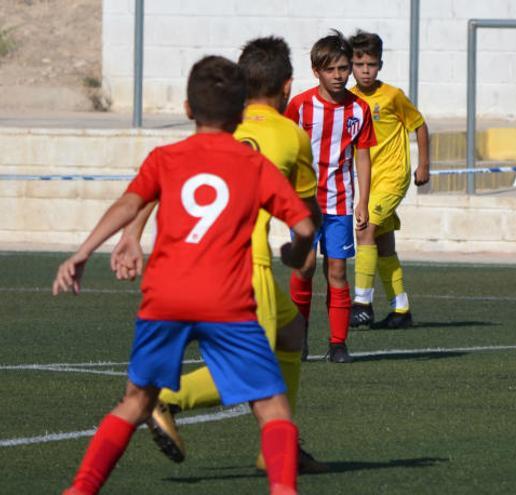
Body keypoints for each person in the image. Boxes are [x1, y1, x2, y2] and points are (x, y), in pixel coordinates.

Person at [55, 55, 315, 495]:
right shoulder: (254, 165)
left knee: (135, 401)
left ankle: (80, 490)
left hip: (165, 298)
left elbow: (130, 204)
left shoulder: (166, 157)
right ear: (240, 113)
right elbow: (305, 226)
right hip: (227, 301)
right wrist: (296, 251)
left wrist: (83, 251)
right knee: (271, 405)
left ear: (188, 109)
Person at [110, 37, 328, 474]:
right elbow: (305, 208)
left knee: (292, 333)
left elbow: (164, 178)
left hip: (196, 262)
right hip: (249, 268)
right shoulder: (290, 135)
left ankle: (280, 448)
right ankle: (164, 399)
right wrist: (306, 246)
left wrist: (131, 234)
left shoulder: (221, 126)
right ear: (287, 86)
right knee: (255, 368)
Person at [284, 30, 376, 363]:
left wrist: (362, 201)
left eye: (343, 69)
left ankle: (338, 343)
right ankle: (299, 338)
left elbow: (362, 155)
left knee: (337, 271)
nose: (338, 76)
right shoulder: (299, 106)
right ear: (316, 71)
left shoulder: (359, 110)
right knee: (305, 268)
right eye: (330, 70)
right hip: (304, 202)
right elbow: (285, 147)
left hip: (340, 204)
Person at [347, 30, 430, 329]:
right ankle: (400, 309)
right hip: (368, 179)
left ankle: (361, 303)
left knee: (364, 228)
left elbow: (419, 125)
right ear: (351, 65)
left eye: (371, 64)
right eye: (359, 64)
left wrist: (423, 164)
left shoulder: (393, 96)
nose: (365, 70)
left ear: (380, 65)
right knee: (383, 245)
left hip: (393, 177)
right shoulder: (349, 99)